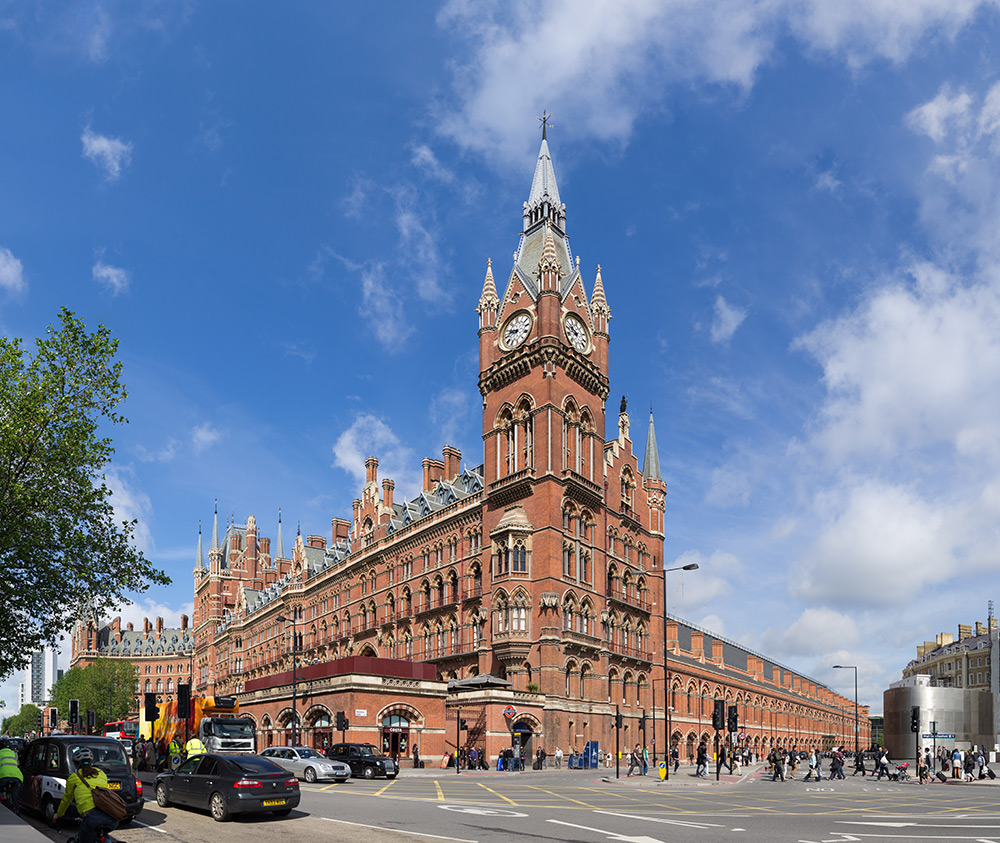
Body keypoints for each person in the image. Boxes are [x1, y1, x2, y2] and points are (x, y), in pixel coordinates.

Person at [53, 747, 118, 843]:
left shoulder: (74, 777)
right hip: (113, 818)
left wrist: (58, 815)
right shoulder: (101, 773)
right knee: (103, 834)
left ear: (76, 764)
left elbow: (67, 799)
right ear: (91, 762)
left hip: (92, 819)